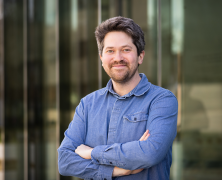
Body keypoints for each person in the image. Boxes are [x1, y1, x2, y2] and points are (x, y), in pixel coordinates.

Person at [58, 16, 178, 180]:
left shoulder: (162, 100)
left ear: (140, 56)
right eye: (110, 51)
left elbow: (151, 153)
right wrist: (115, 170)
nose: (117, 58)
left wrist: (92, 152)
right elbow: (64, 161)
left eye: (126, 50)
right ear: (101, 58)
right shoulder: (88, 104)